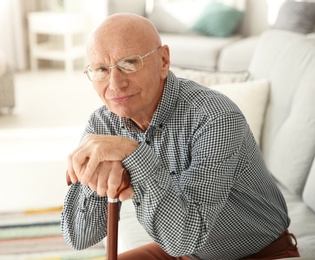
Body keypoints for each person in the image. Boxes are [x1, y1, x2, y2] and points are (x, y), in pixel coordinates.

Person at [61, 13, 300, 259]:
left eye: (129, 63)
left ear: (164, 60)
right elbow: (79, 237)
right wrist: (94, 178)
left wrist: (133, 154)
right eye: (101, 69)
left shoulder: (216, 118)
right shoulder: (103, 123)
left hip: (260, 253)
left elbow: (185, 238)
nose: (115, 84)